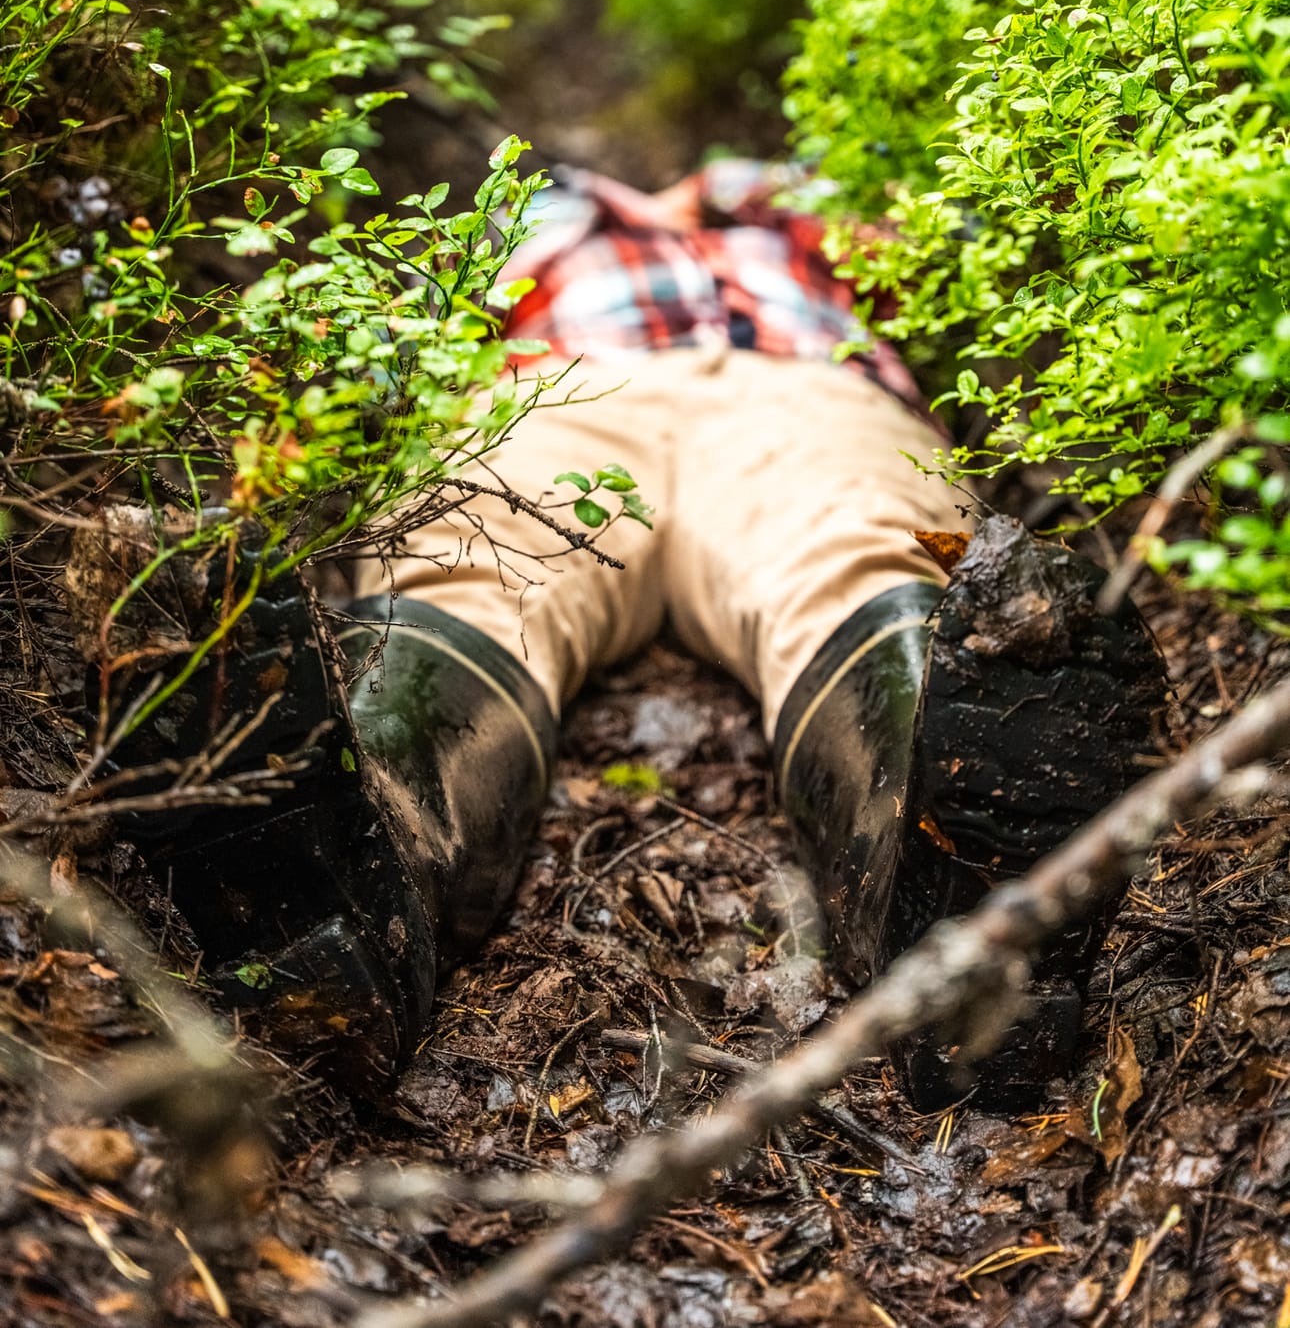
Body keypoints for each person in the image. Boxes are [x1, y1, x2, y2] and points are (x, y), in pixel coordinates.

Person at [96, 159, 1164, 1111]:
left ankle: (942, 884)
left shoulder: (795, 206)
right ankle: (357, 860)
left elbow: (952, 267)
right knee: (470, 566)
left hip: (799, 393)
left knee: (867, 557)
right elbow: (393, 338)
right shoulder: (521, 210)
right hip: (560, 394)